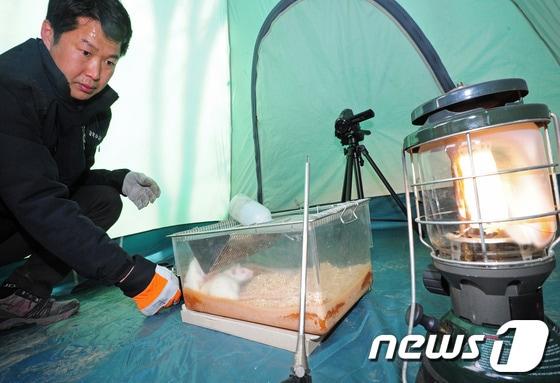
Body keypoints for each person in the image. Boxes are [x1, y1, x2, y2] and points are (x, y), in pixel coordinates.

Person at [0, 0, 181, 331]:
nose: (96, 73)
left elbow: (59, 178)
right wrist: (131, 274)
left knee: (101, 200)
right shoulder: (9, 88)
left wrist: (118, 179)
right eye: (86, 52)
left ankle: (19, 299)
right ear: (48, 32)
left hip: (13, 217)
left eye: (109, 60)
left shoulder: (90, 108)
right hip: (17, 212)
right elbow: (38, 199)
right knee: (53, 212)